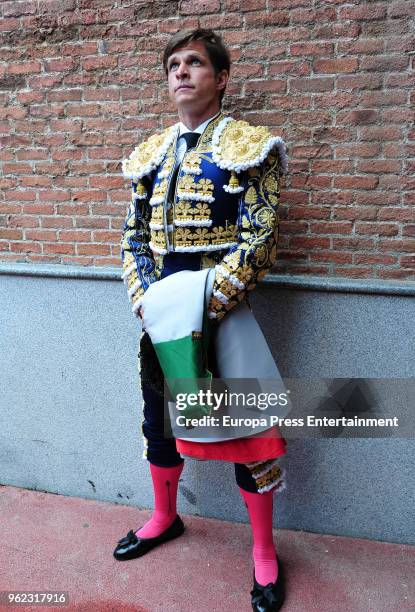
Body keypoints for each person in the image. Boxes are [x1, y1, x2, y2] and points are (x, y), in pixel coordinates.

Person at [114, 28, 289, 611]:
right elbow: (132, 236)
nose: (182, 72)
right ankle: (165, 517)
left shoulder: (250, 144)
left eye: (194, 63)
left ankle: (264, 551)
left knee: (250, 435)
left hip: (224, 316)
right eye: (173, 65)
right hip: (160, 322)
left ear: (221, 78)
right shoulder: (150, 154)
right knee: (158, 423)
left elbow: (259, 239)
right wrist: (147, 302)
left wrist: (202, 306)